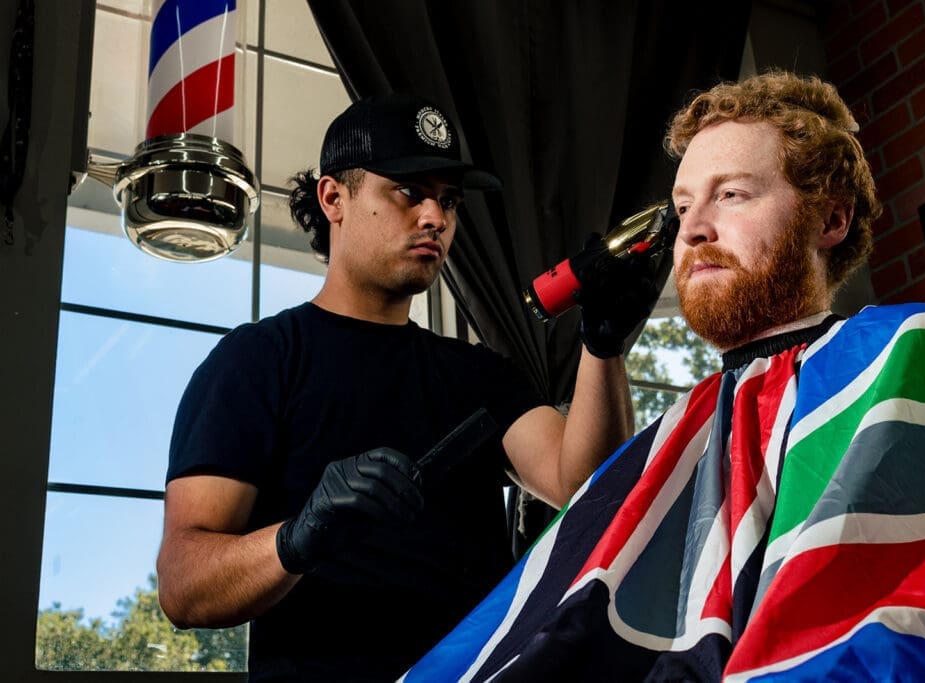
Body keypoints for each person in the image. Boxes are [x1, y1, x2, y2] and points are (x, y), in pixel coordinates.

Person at [401, 71, 925, 682]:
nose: (693, 229)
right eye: (681, 206)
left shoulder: (912, 348)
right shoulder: (678, 433)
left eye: (732, 194)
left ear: (831, 219)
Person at [156, 93, 661, 681]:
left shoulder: (478, 373)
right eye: (408, 191)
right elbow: (183, 586)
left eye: (448, 201)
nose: (435, 218)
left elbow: (586, 483)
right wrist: (297, 538)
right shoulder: (257, 362)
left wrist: (602, 347)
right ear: (333, 198)